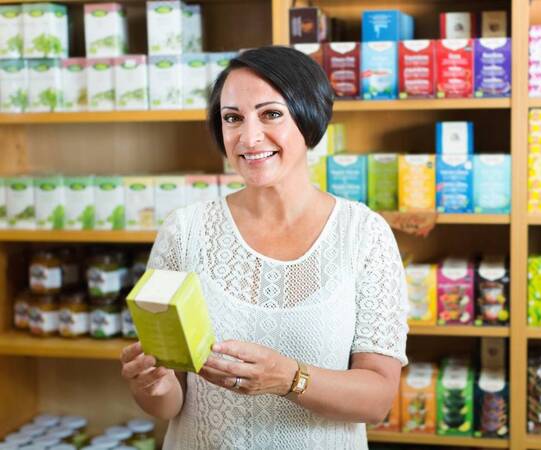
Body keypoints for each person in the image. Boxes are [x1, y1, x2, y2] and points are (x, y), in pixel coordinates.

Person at [120, 45, 409, 449]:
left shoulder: (364, 235)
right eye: (232, 118)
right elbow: (169, 403)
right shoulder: (184, 232)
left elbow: (377, 399)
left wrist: (289, 378)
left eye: (271, 113)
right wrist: (151, 385)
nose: (249, 137)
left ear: (308, 118)